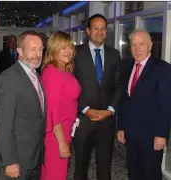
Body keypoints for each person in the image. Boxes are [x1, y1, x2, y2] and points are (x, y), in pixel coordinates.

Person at [117, 29, 171, 180]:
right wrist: (121, 126)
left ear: (150, 45)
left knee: (151, 174)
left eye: (142, 44)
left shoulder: (163, 69)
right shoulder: (127, 67)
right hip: (131, 135)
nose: (137, 49)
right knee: (134, 173)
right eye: (134, 45)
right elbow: (125, 100)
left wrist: (161, 134)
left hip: (151, 136)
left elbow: (166, 104)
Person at [73, 13, 122, 180]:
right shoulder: (75, 53)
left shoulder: (115, 54)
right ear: (88, 31)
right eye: (96, 28)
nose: (100, 32)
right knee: (80, 166)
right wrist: (86, 109)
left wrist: (110, 110)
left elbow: (118, 86)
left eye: (103, 29)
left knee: (105, 167)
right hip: (83, 121)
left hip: (106, 122)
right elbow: (70, 88)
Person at [0, 31, 46, 180]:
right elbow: (4, 124)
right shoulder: (10, 78)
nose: (38, 54)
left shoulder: (35, 75)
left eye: (40, 49)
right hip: (17, 159)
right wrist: (10, 161)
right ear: (20, 51)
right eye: (33, 49)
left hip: (34, 156)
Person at [40, 31, 81, 180]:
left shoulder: (65, 69)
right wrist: (62, 142)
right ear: (54, 48)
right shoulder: (52, 72)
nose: (68, 51)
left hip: (65, 131)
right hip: (56, 135)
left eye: (70, 47)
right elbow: (52, 110)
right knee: (55, 175)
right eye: (63, 47)